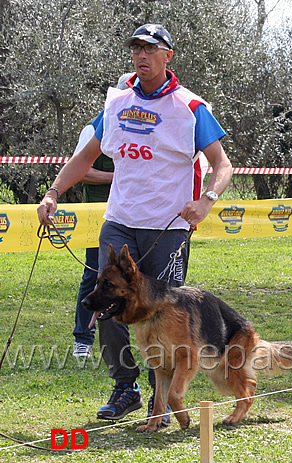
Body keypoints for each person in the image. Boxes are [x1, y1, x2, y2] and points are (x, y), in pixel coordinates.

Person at [38, 24, 233, 422]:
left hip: (168, 227)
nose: (141, 56)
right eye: (136, 49)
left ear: (168, 56)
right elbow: (84, 158)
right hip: (121, 221)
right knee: (103, 305)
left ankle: (158, 401)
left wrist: (207, 200)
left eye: (150, 49)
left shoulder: (191, 107)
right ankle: (124, 387)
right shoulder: (117, 104)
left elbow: (222, 164)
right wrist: (53, 192)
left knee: (166, 315)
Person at [71, 73, 133, 359]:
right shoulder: (95, 128)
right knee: (94, 276)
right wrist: (118, 176)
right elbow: (82, 170)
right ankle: (83, 338)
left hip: (135, 214)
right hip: (98, 215)